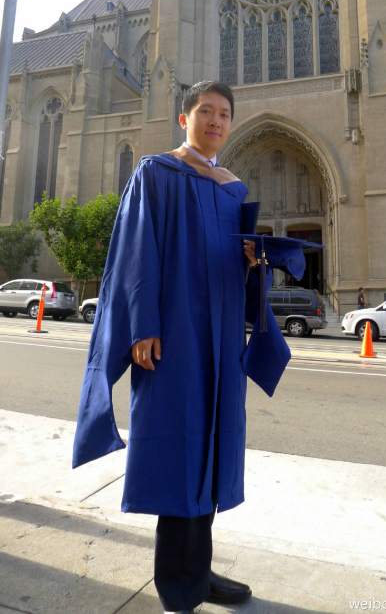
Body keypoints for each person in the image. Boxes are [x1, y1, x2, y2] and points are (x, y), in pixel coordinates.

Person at [72, 81, 299, 614]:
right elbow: (137, 251)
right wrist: (143, 326)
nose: (216, 121)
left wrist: (251, 261)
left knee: (213, 448)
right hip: (174, 336)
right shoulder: (156, 174)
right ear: (185, 119)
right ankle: (179, 585)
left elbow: (228, 263)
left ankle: (199, 568)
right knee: (179, 451)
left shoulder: (232, 189)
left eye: (224, 114)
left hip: (222, 339)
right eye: (206, 112)